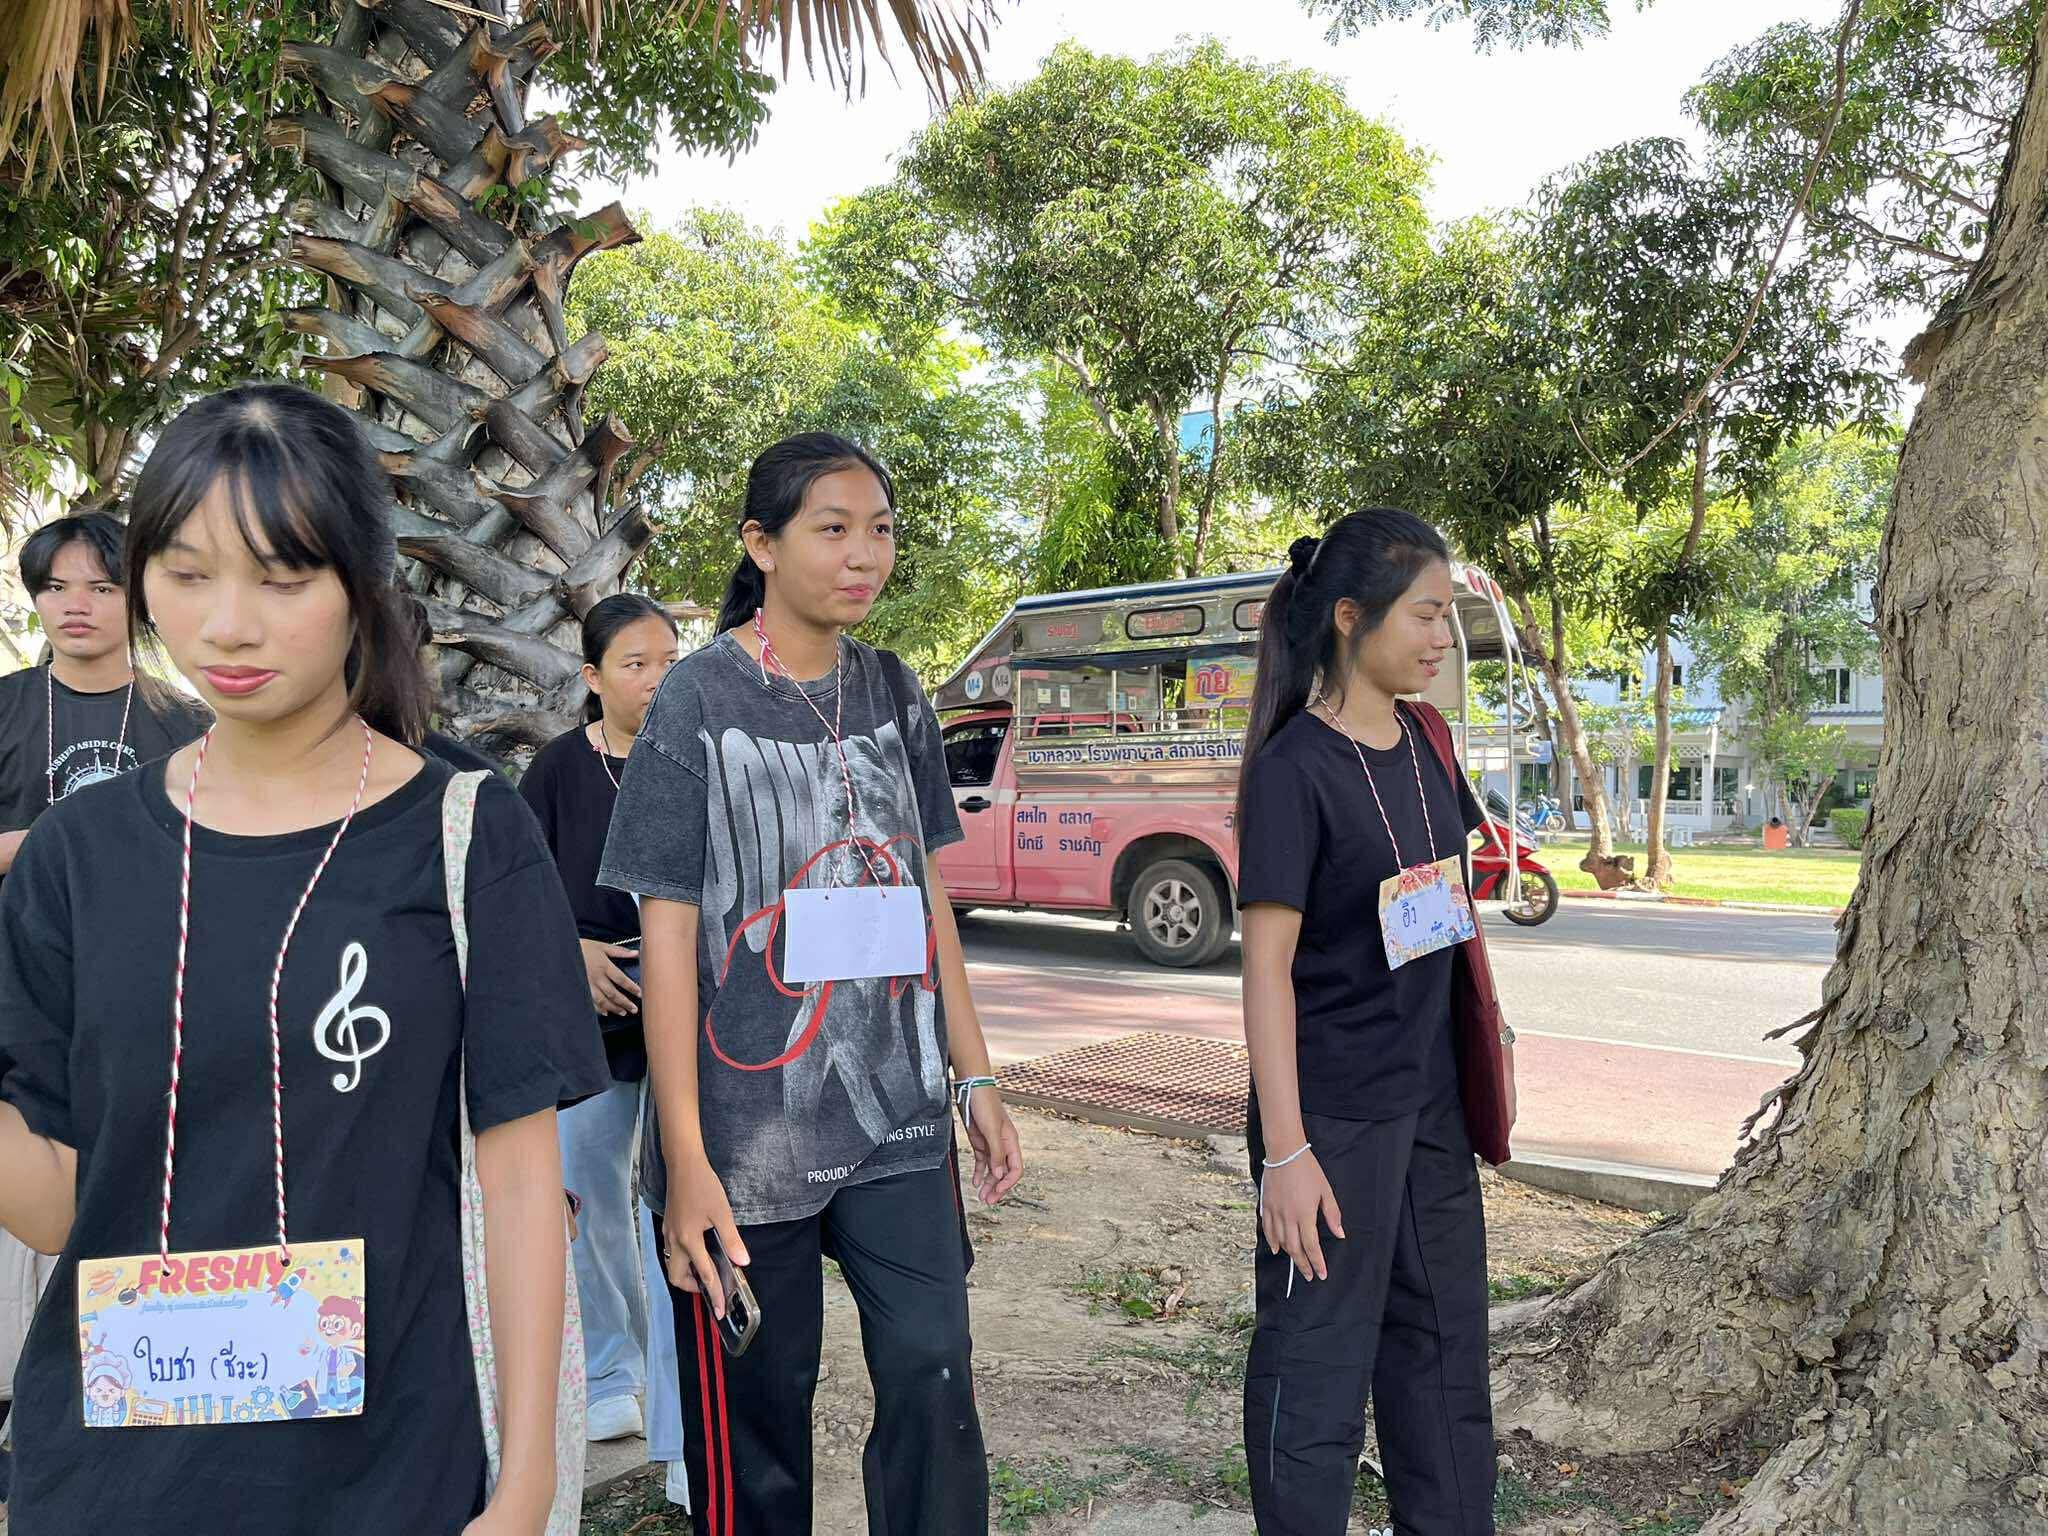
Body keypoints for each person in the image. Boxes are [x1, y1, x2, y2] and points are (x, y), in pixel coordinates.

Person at [0, 382, 610, 1531]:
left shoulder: (465, 835)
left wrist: (524, 1484)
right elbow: (65, 1208)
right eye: (187, 575)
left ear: (360, 587)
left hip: (391, 1471)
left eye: (281, 580)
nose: (228, 626)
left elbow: (522, 1184)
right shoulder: (76, 855)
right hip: (116, 1475)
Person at [597, 431, 1024, 1535]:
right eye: (832, 529)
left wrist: (975, 1078)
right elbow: (667, 937)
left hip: (897, 1122)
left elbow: (928, 897)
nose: (862, 554)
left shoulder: (893, 688)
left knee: (933, 1370)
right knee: (757, 1430)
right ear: (761, 543)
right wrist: (685, 1160)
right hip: (741, 1145)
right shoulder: (697, 700)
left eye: (878, 530)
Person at [1235, 512, 1513, 1536]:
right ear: (1351, 617)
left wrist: (1488, 1036)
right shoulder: (1292, 770)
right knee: (1314, 1368)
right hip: (1330, 1117)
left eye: (1449, 617)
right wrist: (1285, 1153)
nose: (1444, 639)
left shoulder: (1427, 741)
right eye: (1426, 616)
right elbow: (1265, 972)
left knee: (1442, 1358)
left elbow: (1445, 908)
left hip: (1430, 1105)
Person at [519, 594, 684, 1448]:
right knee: (591, 1198)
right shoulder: (556, 771)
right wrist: (572, 955)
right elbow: (515, 892)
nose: (657, 680)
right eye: (635, 664)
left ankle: (684, 1384)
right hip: (590, 1020)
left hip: (693, 1015)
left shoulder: (702, 761)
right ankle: (615, 1371)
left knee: (680, 1196)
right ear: (592, 676)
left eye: (669, 662)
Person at [0, 512, 210, 883]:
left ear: (140, 599)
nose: (75, 606)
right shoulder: (6, 705)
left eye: (101, 589)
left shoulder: (192, 723)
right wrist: (49, 844)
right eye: (56, 588)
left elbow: (215, 850)